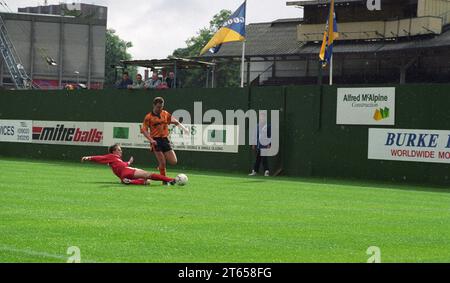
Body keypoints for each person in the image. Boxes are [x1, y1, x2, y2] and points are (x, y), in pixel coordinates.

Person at [81, 144, 177, 186]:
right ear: (113, 151)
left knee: (146, 181)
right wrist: (89, 157)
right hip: (128, 171)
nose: (121, 151)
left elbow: (122, 165)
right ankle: (170, 180)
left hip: (124, 174)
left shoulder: (116, 160)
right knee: (149, 175)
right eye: (119, 149)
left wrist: (129, 162)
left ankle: (129, 181)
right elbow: (100, 158)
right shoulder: (111, 156)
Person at [141, 97, 189, 180]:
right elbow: (144, 130)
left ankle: (160, 167)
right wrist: (151, 140)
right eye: (158, 107)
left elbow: (175, 121)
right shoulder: (148, 117)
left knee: (173, 161)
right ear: (154, 105)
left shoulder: (165, 113)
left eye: (162, 106)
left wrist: (184, 129)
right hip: (155, 141)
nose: (160, 108)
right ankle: (164, 179)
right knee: (163, 163)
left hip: (165, 140)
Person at [249, 112, 272, 177]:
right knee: (257, 159)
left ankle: (266, 171)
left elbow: (270, 136)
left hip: (264, 145)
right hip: (258, 145)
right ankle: (255, 171)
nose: (262, 118)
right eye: (261, 117)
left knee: (264, 158)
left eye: (263, 117)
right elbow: (255, 135)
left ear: (265, 118)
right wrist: (253, 144)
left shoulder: (268, 126)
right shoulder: (257, 125)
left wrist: (269, 144)